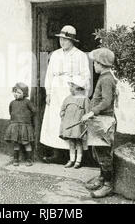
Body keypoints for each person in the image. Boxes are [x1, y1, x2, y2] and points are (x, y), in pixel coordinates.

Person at [40, 25, 91, 164]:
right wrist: (48, 92)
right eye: (61, 39)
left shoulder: (80, 55)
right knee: (56, 120)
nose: (62, 42)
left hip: (71, 92)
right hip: (56, 91)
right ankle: (56, 153)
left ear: (72, 41)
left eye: (66, 40)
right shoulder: (55, 54)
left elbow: (86, 75)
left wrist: (77, 89)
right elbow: (49, 74)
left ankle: (75, 157)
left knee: (72, 122)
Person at [81, 47, 119, 198]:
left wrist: (91, 112)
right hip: (99, 120)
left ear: (102, 64)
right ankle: (102, 178)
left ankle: (108, 185)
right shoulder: (104, 77)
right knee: (98, 152)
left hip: (104, 122)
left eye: (95, 63)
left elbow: (106, 101)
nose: (93, 65)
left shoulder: (107, 79)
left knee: (103, 154)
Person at [59, 76, 90, 169]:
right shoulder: (67, 98)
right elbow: (63, 109)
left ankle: (78, 161)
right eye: (71, 86)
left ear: (78, 88)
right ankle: (71, 160)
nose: (70, 88)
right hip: (69, 124)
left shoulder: (84, 99)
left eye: (72, 86)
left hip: (78, 124)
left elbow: (87, 111)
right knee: (71, 142)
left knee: (79, 142)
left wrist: (86, 119)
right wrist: (62, 113)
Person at [4, 82, 36, 166]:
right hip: (15, 125)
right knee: (16, 143)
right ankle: (16, 159)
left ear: (24, 93)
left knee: (26, 143)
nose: (16, 94)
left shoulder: (27, 102)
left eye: (18, 92)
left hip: (25, 126)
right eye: (15, 92)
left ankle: (29, 159)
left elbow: (34, 111)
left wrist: (26, 118)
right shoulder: (12, 103)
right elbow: (11, 112)